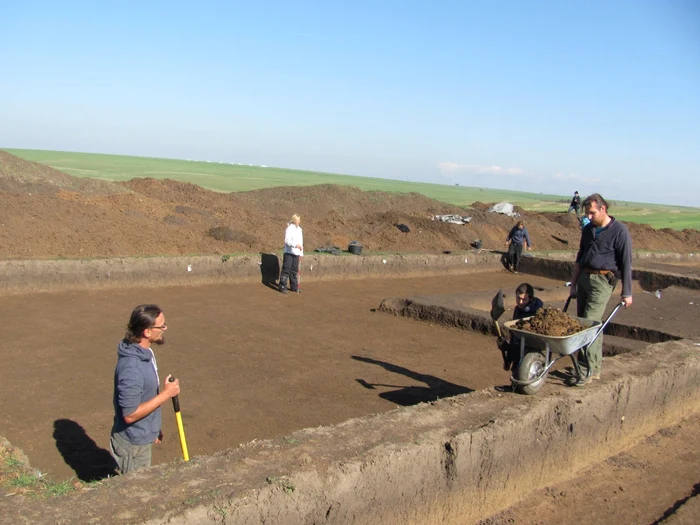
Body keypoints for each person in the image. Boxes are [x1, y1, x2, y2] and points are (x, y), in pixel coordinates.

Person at [568, 193, 633, 385]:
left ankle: (591, 369)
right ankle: (585, 365)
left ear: (603, 209)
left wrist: (627, 292)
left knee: (589, 323)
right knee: (584, 322)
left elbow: (627, 262)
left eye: (592, 213)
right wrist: (573, 283)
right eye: (587, 213)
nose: (588, 216)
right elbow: (580, 258)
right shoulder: (588, 230)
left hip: (603, 281)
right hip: (584, 279)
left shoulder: (620, 231)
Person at [110, 304, 180, 474]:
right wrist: (166, 394)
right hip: (133, 447)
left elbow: (146, 396)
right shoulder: (132, 369)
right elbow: (130, 414)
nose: (165, 328)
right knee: (132, 493)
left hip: (142, 436)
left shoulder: (143, 352)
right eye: (161, 326)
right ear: (147, 332)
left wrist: (152, 428)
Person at [498, 283, 544, 371]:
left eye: (524, 299)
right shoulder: (518, 309)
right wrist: (508, 357)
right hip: (518, 347)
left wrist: (508, 348)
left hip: (529, 352)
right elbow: (514, 334)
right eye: (518, 298)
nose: (520, 302)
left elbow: (531, 339)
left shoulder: (537, 313)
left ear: (530, 298)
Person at [279, 213, 303, 294]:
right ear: (294, 220)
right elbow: (287, 241)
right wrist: (295, 245)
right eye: (298, 220)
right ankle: (282, 286)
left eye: (299, 220)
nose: (299, 221)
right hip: (289, 252)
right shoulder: (289, 229)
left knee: (294, 270)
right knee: (286, 269)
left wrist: (301, 253)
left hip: (297, 253)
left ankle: (294, 287)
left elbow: (301, 242)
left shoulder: (299, 230)